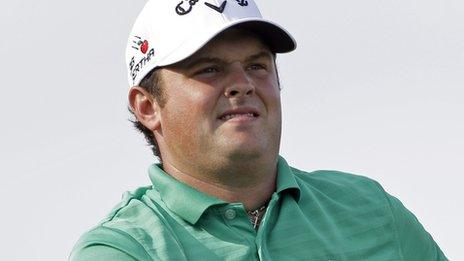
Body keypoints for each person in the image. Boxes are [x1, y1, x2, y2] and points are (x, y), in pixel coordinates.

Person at [70, 0, 447, 260]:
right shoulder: (122, 250)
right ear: (149, 107)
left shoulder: (370, 210)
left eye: (257, 66)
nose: (243, 83)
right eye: (209, 69)